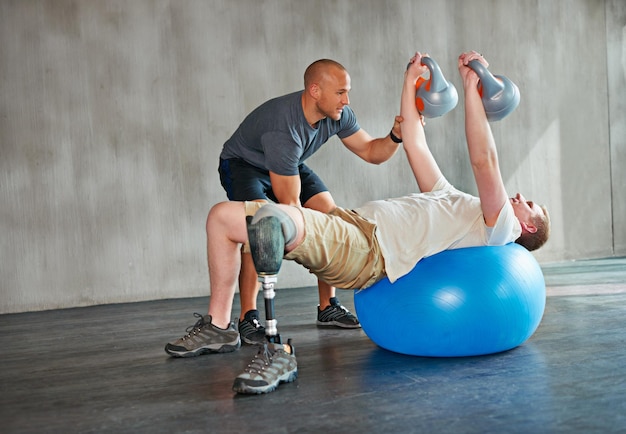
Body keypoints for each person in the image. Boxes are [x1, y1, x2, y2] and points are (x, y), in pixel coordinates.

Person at [165, 51, 551, 394]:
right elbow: (414, 143)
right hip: (354, 225)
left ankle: (275, 339)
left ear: (526, 228)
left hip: (367, 249)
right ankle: (219, 324)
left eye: (529, 204)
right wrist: (410, 81)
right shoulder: (452, 198)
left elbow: (485, 161)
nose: (519, 197)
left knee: (270, 216)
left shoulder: (499, 228)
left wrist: (472, 89)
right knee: (220, 218)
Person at [217, 58, 404, 343]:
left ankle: (327, 306)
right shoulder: (284, 128)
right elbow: (291, 206)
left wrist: (394, 137)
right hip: (244, 164)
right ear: (315, 91)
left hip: (288, 162)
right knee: (260, 228)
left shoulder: (339, 115)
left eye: (347, 91)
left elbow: (370, 151)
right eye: (340, 92)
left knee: (329, 215)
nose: (347, 99)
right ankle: (247, 317)